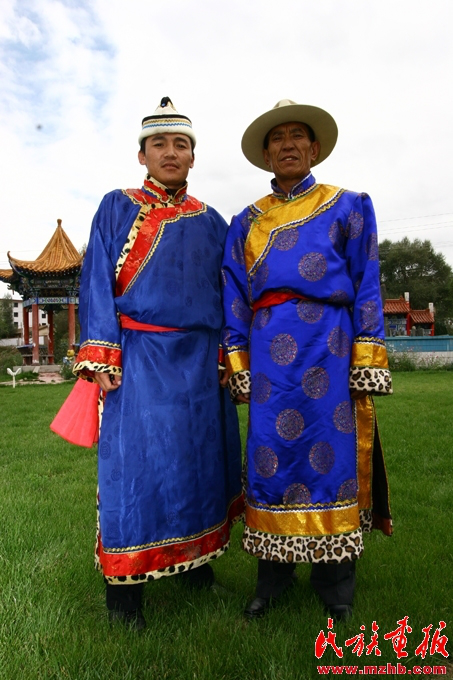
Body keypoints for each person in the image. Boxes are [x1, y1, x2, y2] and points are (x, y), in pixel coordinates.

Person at [73, 97, 243, 629]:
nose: (171, 152)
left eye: (181, 144)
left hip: (201, 363)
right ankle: (126, 592)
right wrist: (101, 352)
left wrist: (228, 355)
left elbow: (230, 295)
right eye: (159, 144)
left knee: (199, 465)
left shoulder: (213, 222)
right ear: (142, 154)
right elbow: (95, 281)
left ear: (193, 156)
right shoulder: (116, 206)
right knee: (136, 471)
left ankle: (195, 564)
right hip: (139, 359)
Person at [221, 99, 392, 621]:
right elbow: (233, 296)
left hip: (331, 350)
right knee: (270, 458)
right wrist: (238, 362)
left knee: (331, 460)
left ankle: (335, 584)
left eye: (297, 135)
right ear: (266, 155)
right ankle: (271, 580)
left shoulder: (349, 205)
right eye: (277, 138)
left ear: (314, 148)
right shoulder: (245, 221)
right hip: (269, 361)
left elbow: (367, 283)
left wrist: (367, 355)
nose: (288, 144)